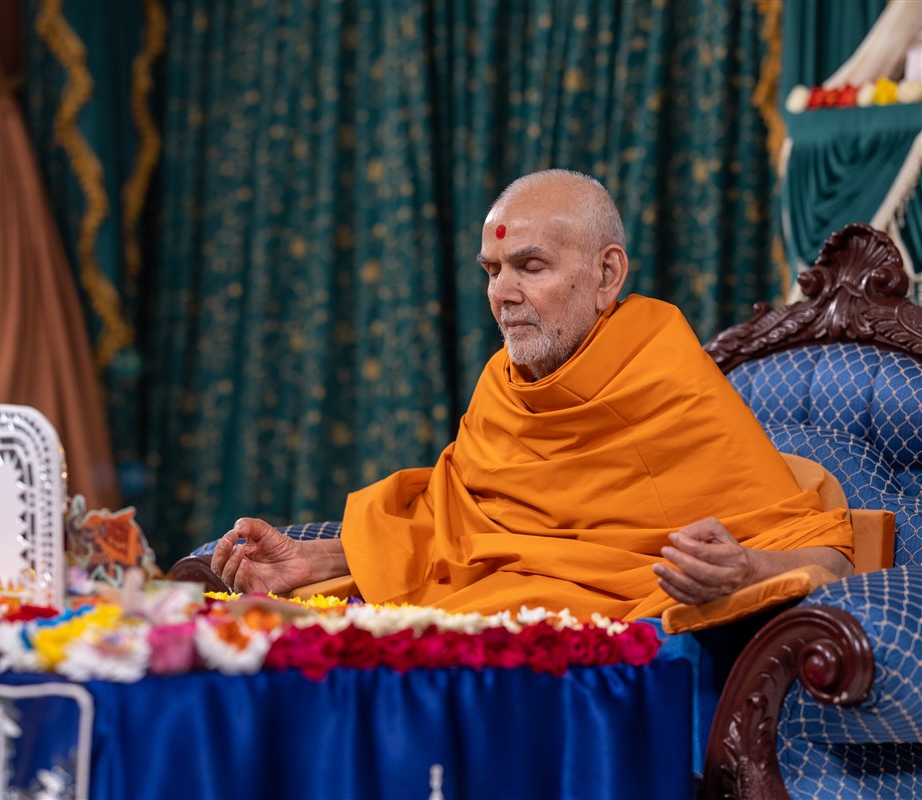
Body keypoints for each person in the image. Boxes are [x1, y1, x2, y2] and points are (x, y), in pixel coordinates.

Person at [209, 170, 854, 621]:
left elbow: (831, 557)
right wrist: (311, 559)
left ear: (606, 274)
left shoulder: (665, 378)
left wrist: (745, 570)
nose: (501, 293)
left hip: (584, 654)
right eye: (492, 270)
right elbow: (455, 536)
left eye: (530, 266)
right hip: (475, 624)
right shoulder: (504, 387)